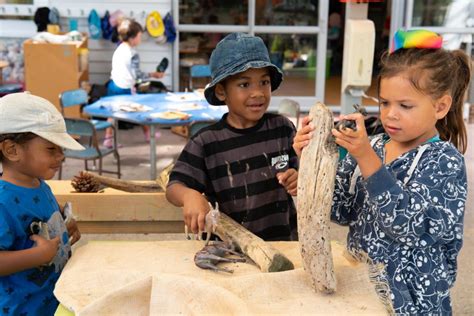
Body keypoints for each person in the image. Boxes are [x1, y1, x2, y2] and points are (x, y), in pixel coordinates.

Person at [293, 30, 469, 314]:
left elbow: (409, 227)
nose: (390, 114)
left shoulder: (445, 162)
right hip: (363, 294)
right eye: (385, 102)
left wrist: (367, 160)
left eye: (405, 105)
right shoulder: (373, 145)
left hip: (415, 303)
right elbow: (340, 210)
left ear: (441, 106)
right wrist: (309, 166)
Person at [166, 33, 298, 241]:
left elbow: (301, 171)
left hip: (282, 244)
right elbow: (174, 187)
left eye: (264, 82)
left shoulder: (282, 129)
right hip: (228, 251)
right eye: (244, 85)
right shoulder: (206, 142)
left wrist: (297, 178)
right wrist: (189, 195)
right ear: (221, 92)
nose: (258, 93)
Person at [0, 92, 83, 315]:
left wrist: (64, 228)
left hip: (52, 301)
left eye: (61, 149)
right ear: (12, 150)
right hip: (21, 309)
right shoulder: (3, 201)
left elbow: (43, 227)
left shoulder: (40, 185)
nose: (61, 157)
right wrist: (36, 256)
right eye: (51, 149)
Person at [103, 18, 165, 148]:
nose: (140, 39)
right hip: (125, 88)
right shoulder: (133, 54)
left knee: (112, 114)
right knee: (141, 110)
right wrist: (153, 75)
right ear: (132, 38)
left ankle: (108, 139)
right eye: (139, 36)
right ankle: (148, 134)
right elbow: (137, 76)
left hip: (113, 84)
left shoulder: (119, 49)